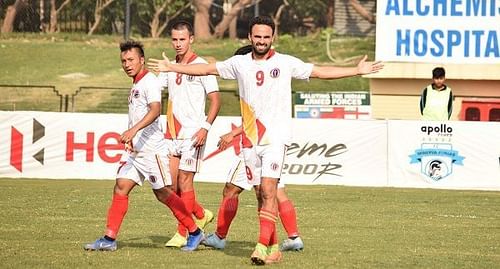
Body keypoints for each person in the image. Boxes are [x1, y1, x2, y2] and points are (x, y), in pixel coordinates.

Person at [148, 15, 383, 265]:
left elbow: (319, 71)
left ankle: (260, 246)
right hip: (250, 142)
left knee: (270, 190)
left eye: (266, 37)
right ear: (250, 37)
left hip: (275, 139)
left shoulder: (285, 62)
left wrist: (356, 70)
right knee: (261, 194)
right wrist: (173, 67)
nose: (261, 41)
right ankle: (273, 247)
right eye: (257, 37)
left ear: (273, 38)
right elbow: (206, 68)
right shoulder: (239, 63)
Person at [83, 40, 204, 252]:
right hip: (136, 151)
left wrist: (133, 130)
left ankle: (195, 231)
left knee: (164, 194)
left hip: (152, 152)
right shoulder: (137, 82)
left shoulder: (149, 82)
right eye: (123, 61)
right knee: (121, 186)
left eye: (131, 60)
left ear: (142, 60)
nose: (127, 64)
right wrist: (133, 137)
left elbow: (156, 110)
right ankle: (109, 239)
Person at [202, 45, 304, 253]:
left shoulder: (253, 76)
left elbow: (257, 120)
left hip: (258, 144)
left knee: (233, 190)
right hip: (266, 142)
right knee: (275, 193)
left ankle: (223, 237)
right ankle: (293, 237)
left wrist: (233, 133)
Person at [157, 20, 220, 248]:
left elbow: (216, 100)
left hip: (194, 135)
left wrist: (205, 127)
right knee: (170, 188)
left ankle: (184, 232)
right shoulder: (170, 66)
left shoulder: (202, 65)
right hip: (172, 134)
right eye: (174, 39)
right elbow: (156, 91)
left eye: (182, 39)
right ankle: (201, 214)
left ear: (191, 39)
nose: (178, 44)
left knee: (185, 182)